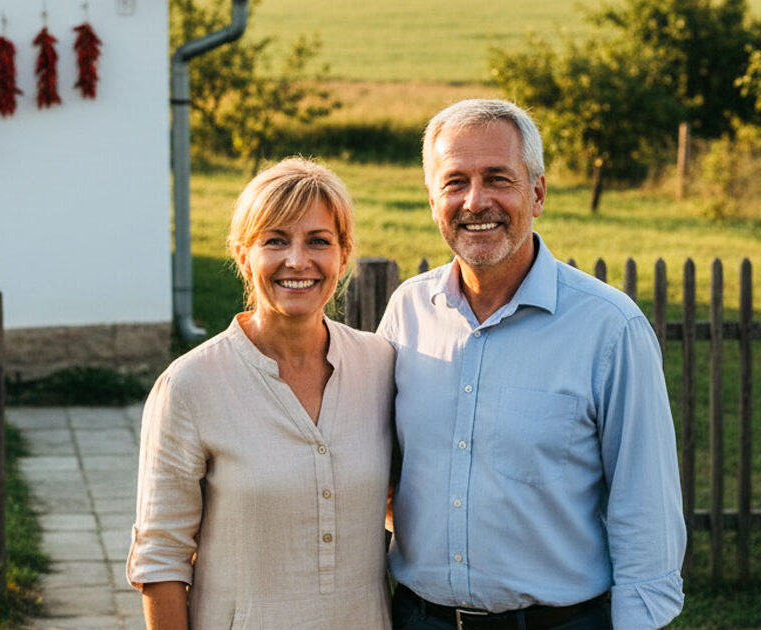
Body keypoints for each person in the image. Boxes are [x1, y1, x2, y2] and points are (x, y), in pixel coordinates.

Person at [377, 99, 686, 629]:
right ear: (433, 200)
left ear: (537, 193)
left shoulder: (610, 329)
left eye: (499, 178)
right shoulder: (408, 312)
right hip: (419, 618)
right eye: (455, 182)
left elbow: (647, 513)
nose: (476, 201)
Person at [127, 157, 396, 629]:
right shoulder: (189, 386)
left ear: (343, 254)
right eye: (275, 240)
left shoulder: (381, 366)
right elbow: (161, 560)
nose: (298, 260)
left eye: (319, 241)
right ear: (243, 255)